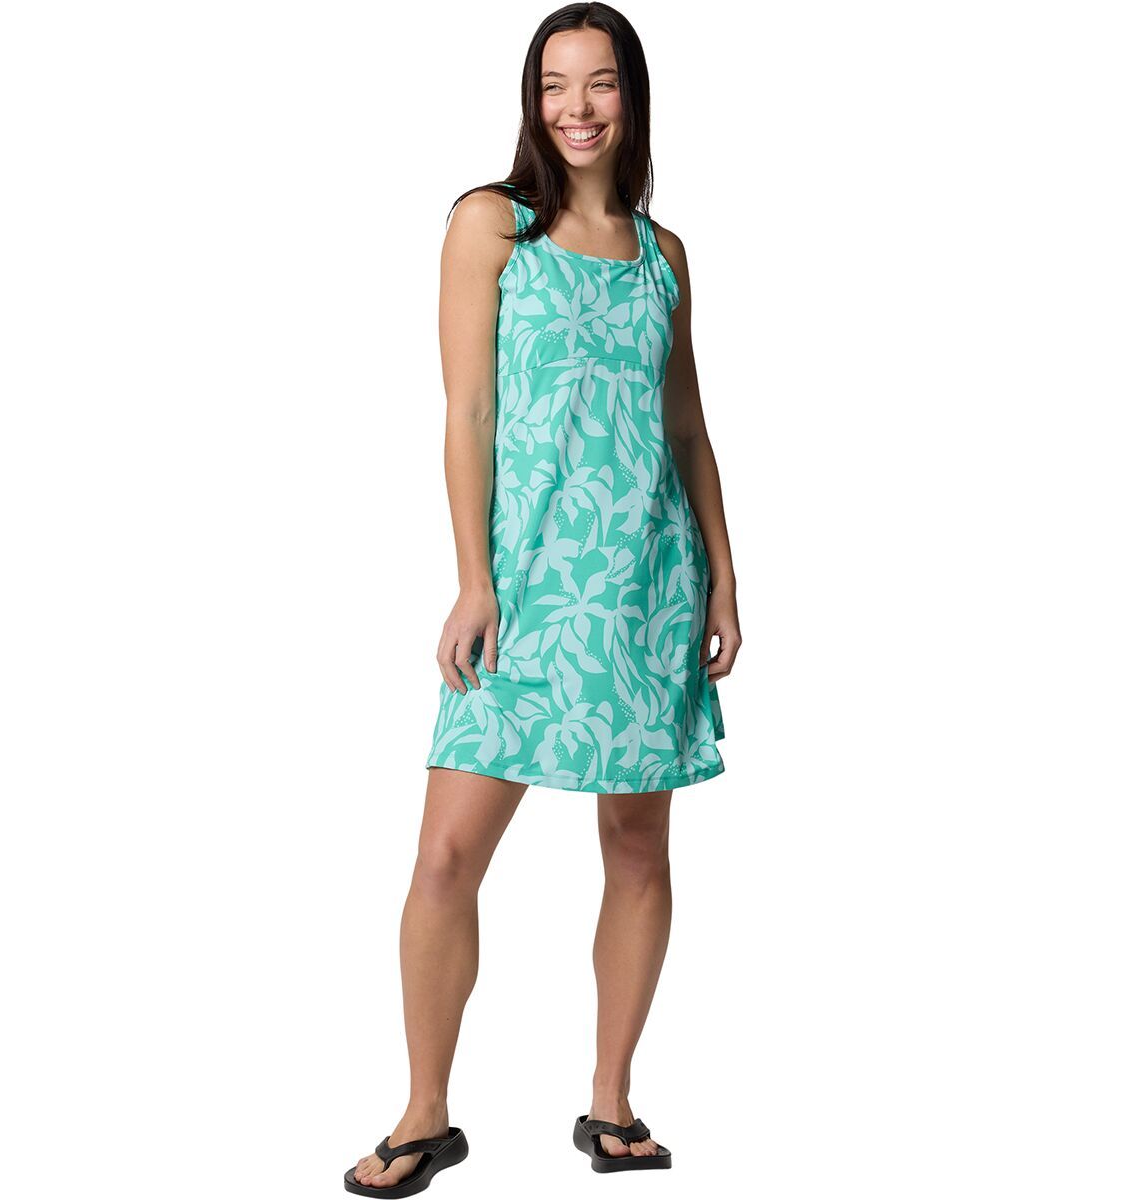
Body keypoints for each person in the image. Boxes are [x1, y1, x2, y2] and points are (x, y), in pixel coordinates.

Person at [346, 4, 738, 1193]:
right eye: (556, 85)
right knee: (445, 857)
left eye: (601, 83)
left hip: (646, 583)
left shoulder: (665, 256)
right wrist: (474, 579)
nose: (578, 108)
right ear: (533, 100)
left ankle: (611, 1103)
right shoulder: (492, 226)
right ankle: (425, 1114)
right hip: (524, 589)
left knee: (637, 846)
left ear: (633, 98)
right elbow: (466, 412)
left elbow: (686, 425)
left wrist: (723, 572)